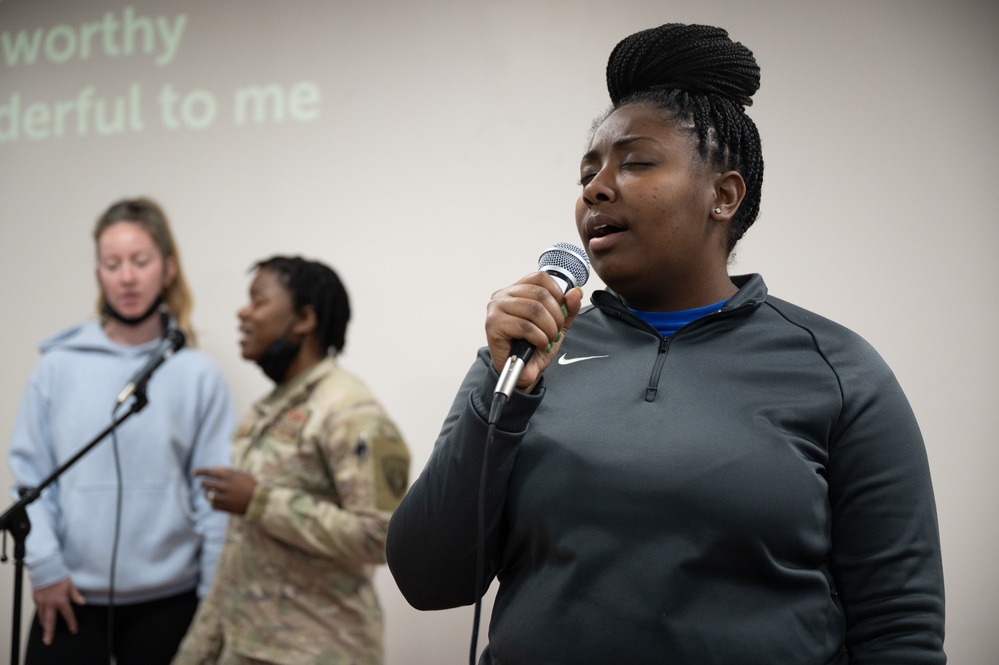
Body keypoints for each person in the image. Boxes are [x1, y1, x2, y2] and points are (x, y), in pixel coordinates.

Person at [385, 23, 946, 664]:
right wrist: (499, 387)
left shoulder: (839, 370)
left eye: (636, 162)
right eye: (589, 171)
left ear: (723, 195)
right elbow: (428, 580)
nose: (596, 188)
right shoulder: (527, 358)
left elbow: (899, 629)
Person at [7, 197, 237, 664]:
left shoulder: (197, 374)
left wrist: (212, 599)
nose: (127, 277)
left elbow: (215, 501)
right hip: (70, 597)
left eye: (140, 261)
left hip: (170, 603)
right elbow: (31, 480)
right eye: (112, 264)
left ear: (168, 269)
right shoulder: (57, 366)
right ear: (98, 273)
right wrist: (45, 567)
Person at [172, 256, 411, 665]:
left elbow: (381, 537)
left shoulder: (349, 410)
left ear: (304, 319)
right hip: (246, 648)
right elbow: (238, 555)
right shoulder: (266, 410)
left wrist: (261, 502)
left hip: (321, 651)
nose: (242, 313)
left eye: (258, 301)